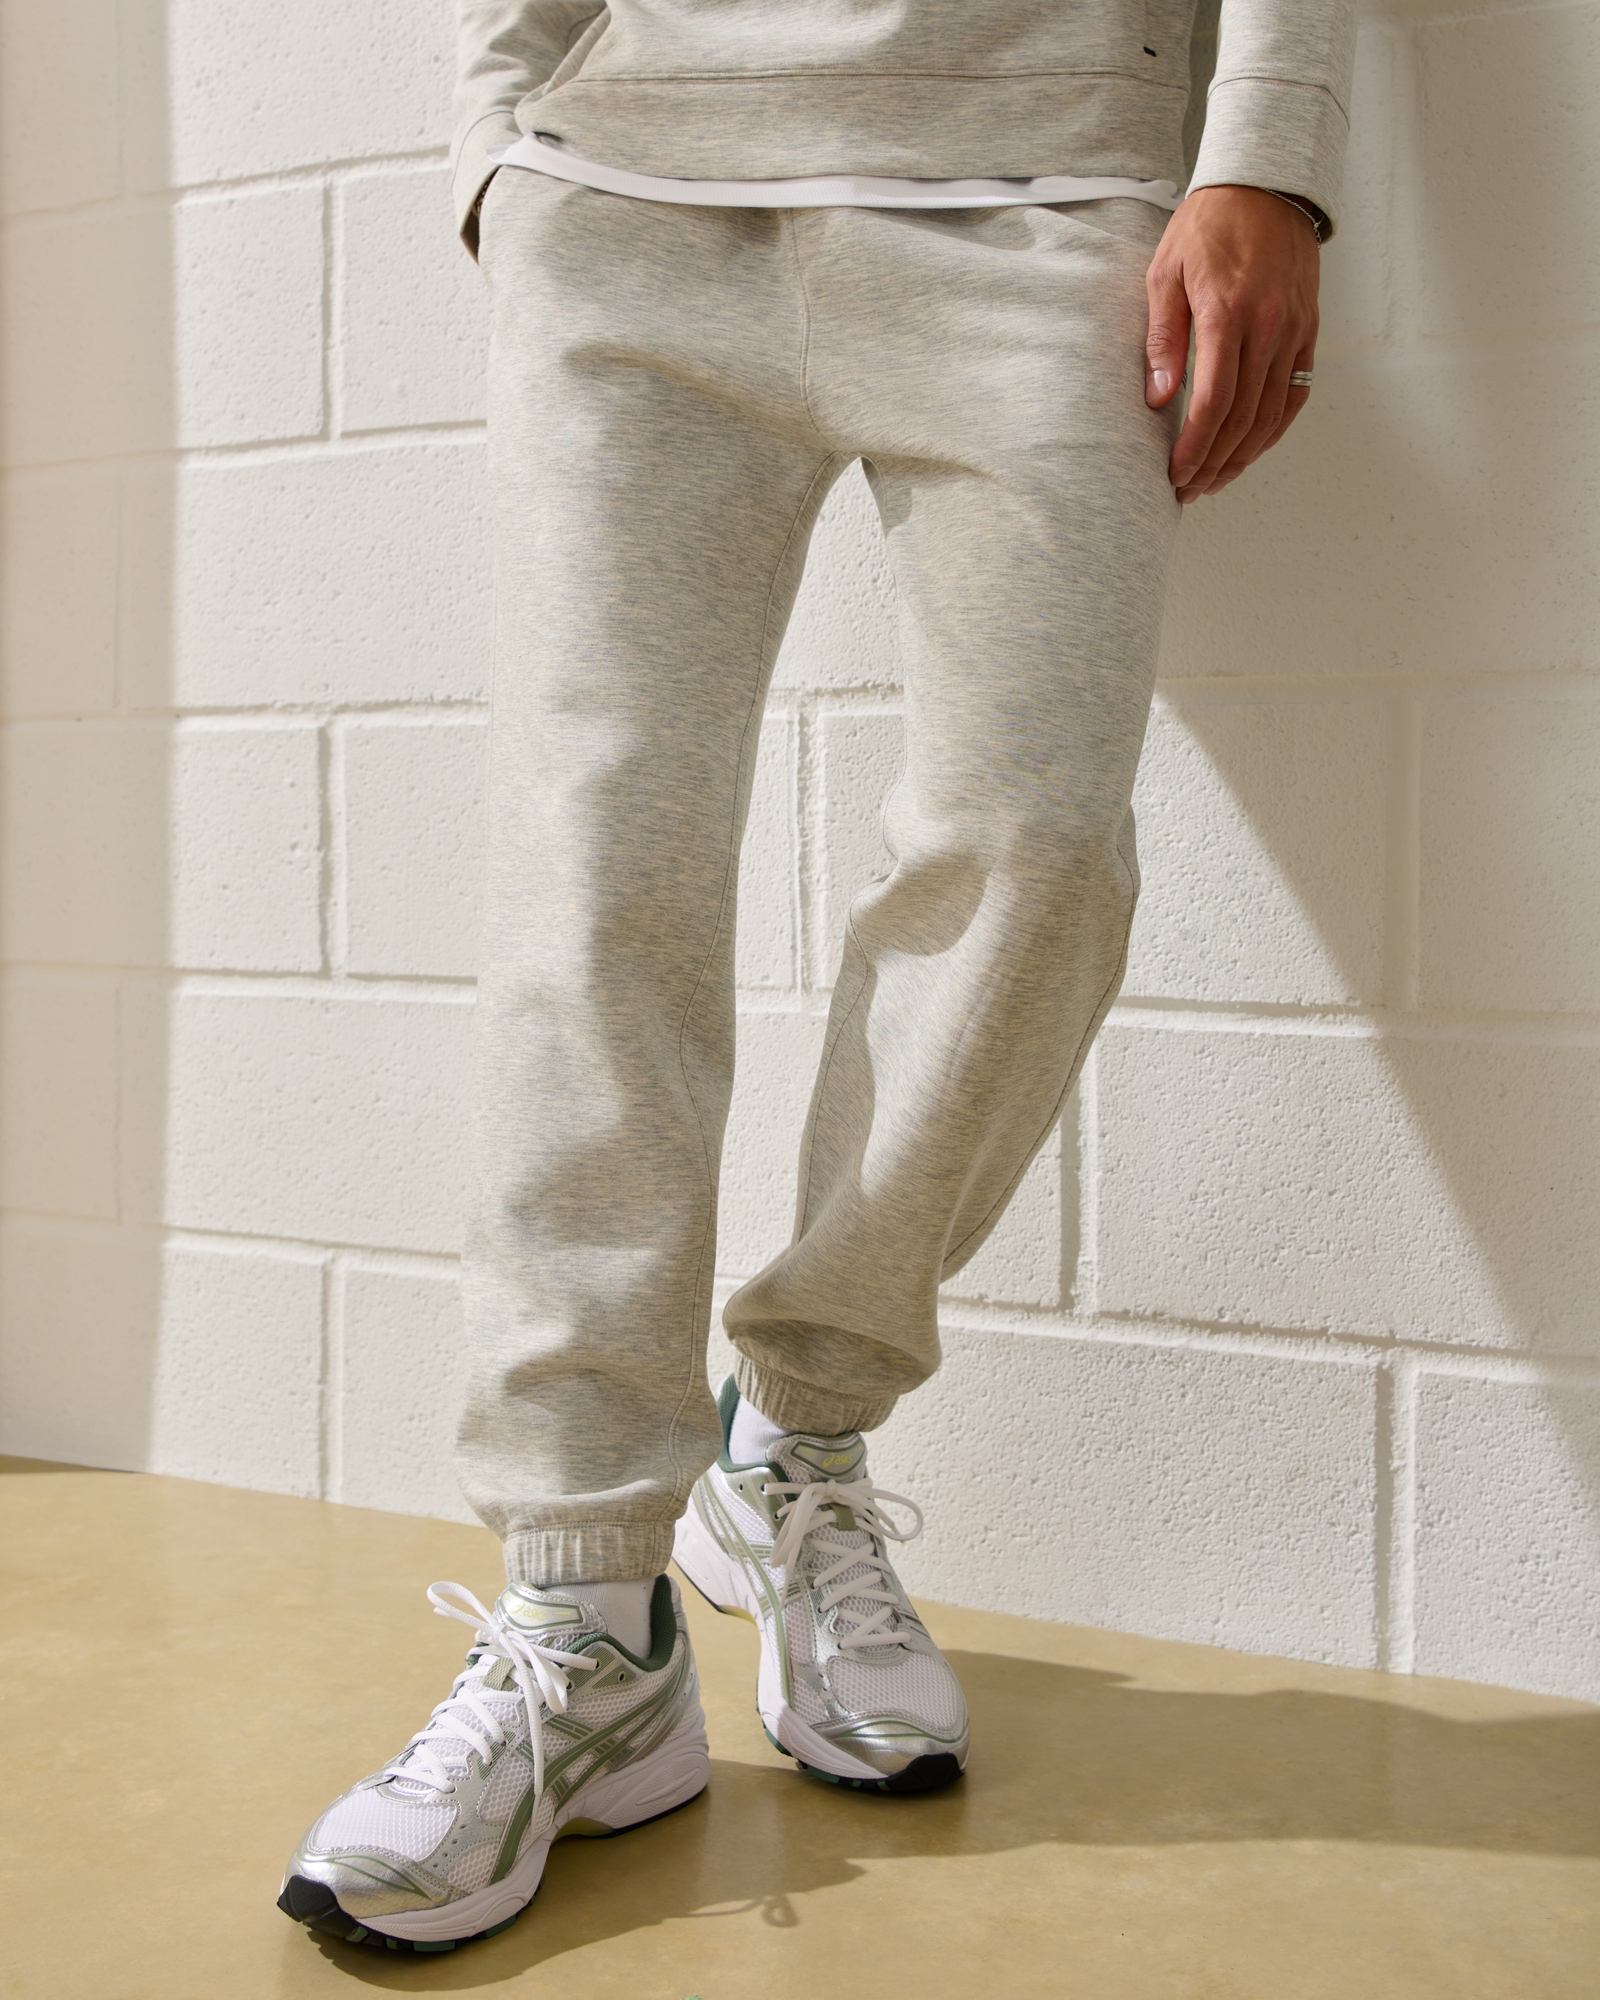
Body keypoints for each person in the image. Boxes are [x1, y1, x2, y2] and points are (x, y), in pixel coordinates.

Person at [278, 0, 1355, 1953]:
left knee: (1037, 847)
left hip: (1049, 182)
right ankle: (587, 1617)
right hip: (629, 193)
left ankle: (795, 1430)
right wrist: (500, 136)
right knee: (593, 885)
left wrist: (1265, 152)